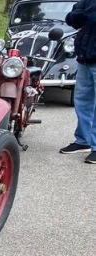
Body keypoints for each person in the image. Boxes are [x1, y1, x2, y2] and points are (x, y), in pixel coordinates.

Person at [59, 0, 96, 163]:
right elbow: (71, 18)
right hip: (85, 58)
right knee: (82, 101)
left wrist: (86, 16)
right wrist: (82, 16)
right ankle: (83, 140)